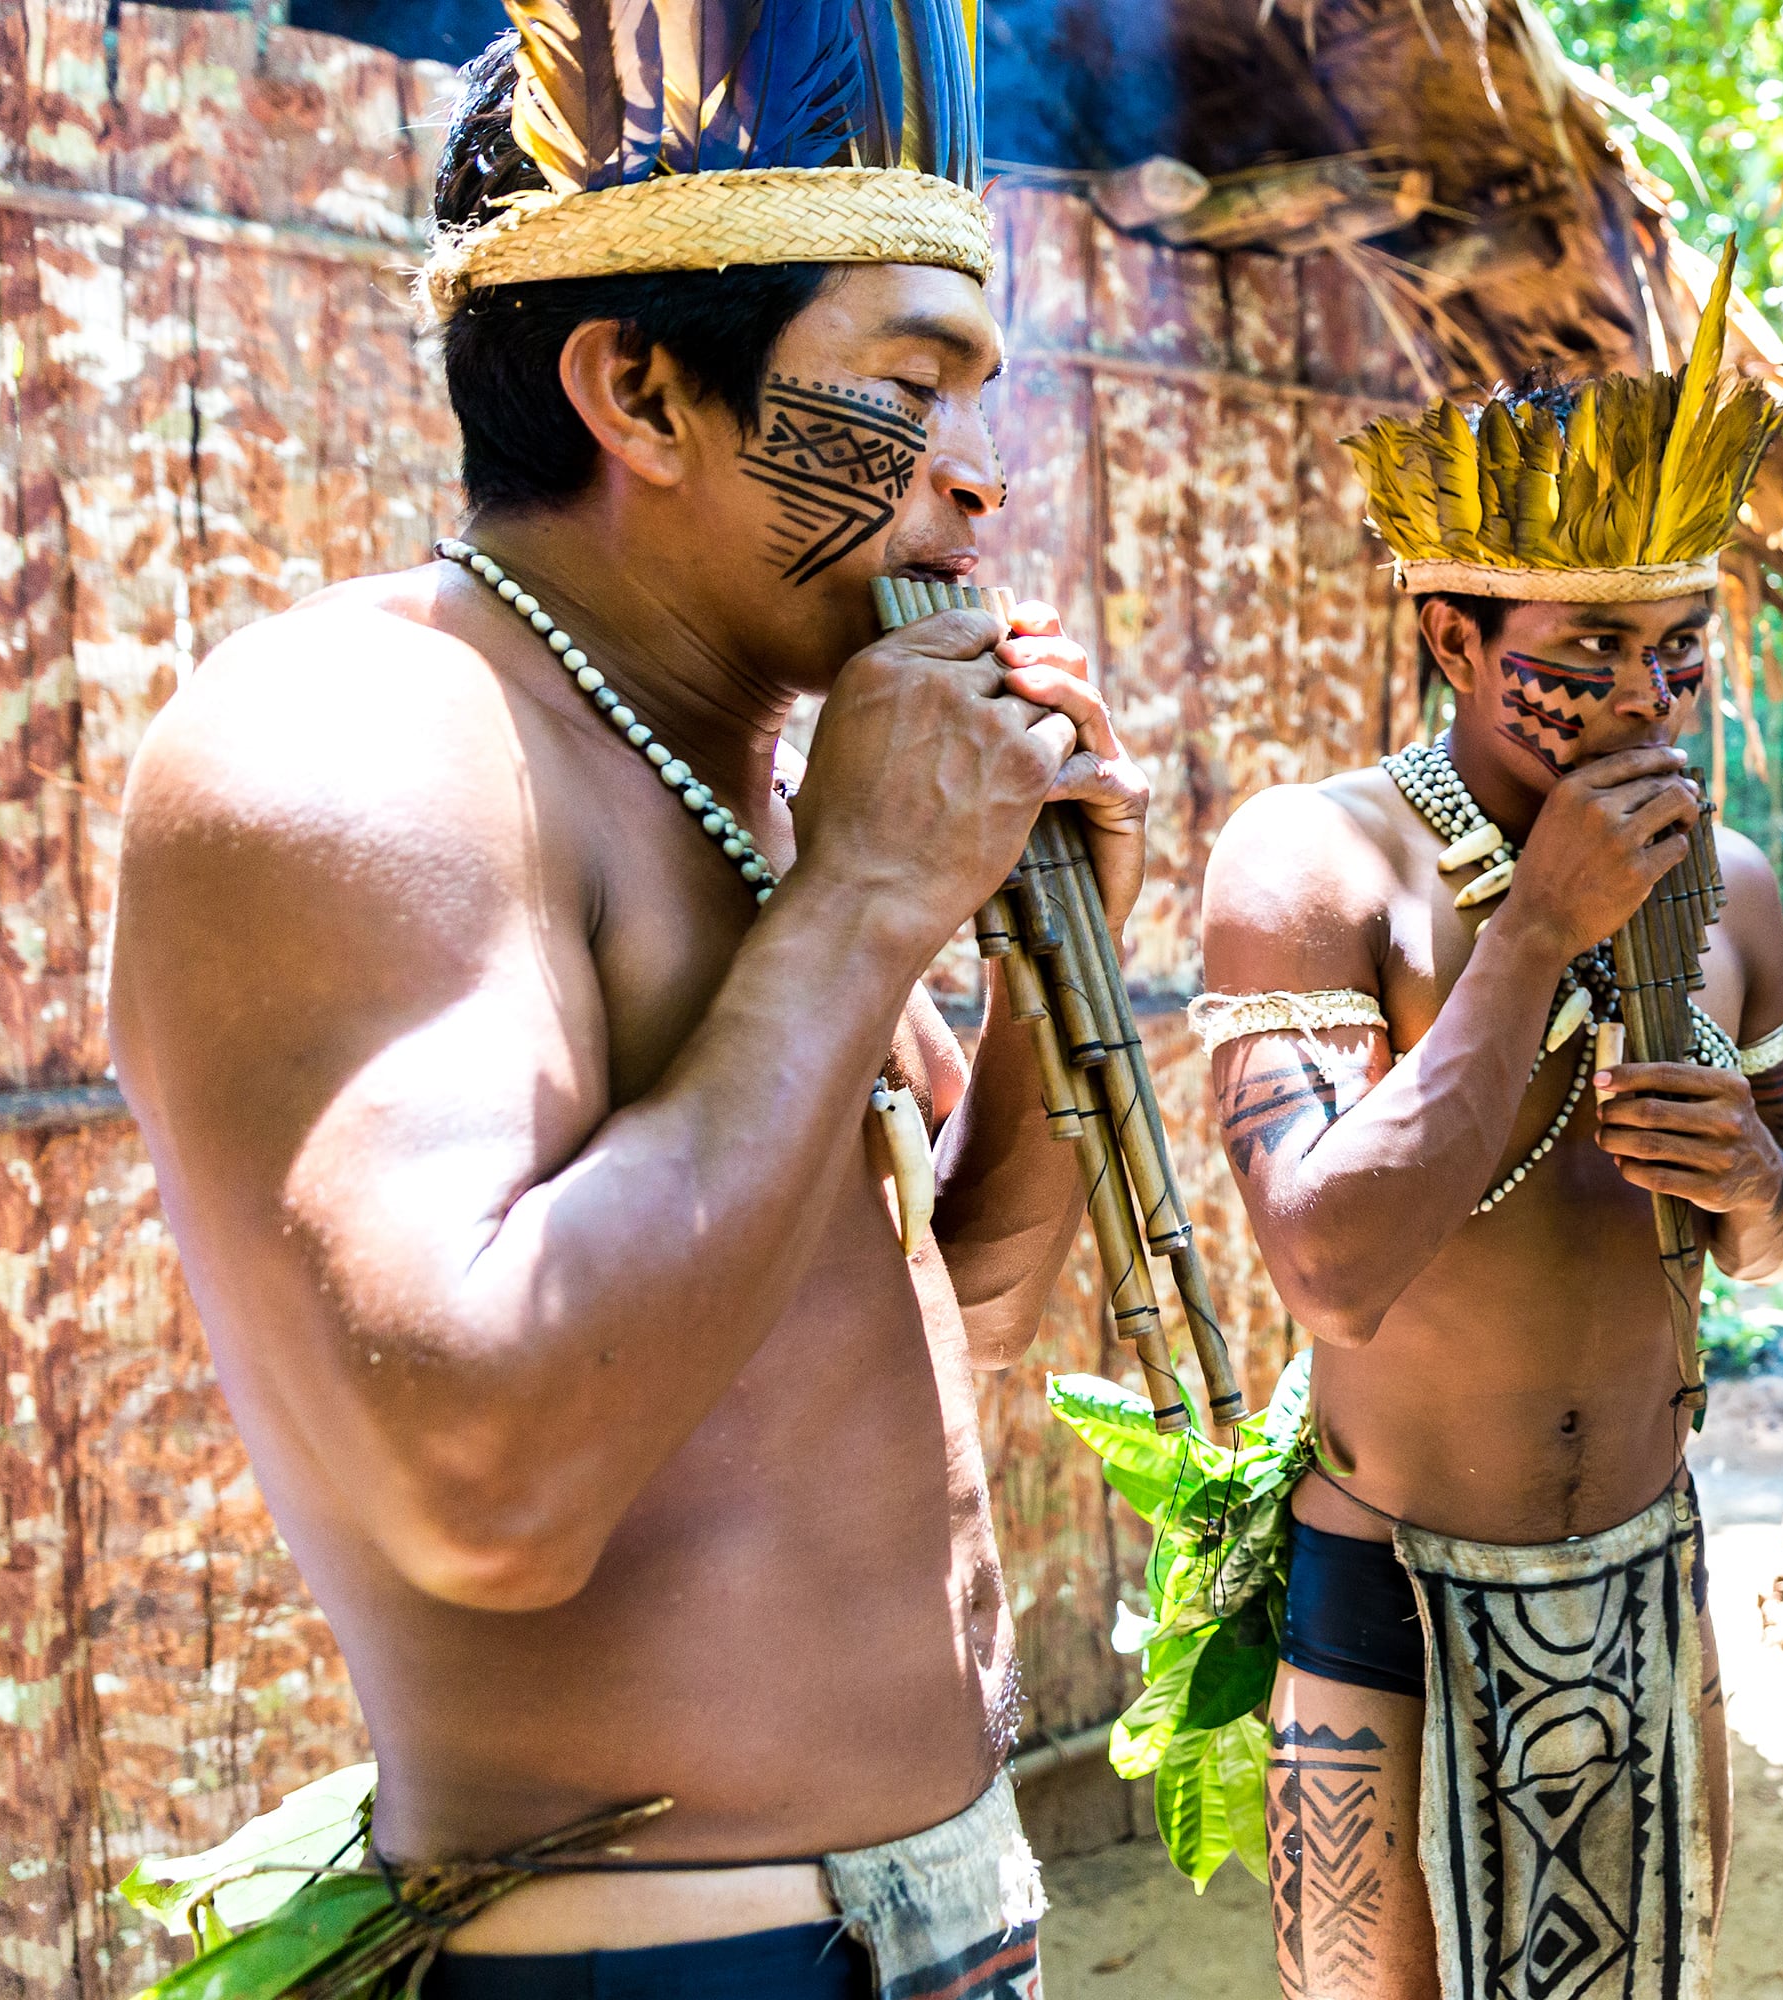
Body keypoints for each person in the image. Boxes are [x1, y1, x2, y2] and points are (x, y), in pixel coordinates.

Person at [103, 5, 1127, 1992]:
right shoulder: (366, 734)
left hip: (943, 1921)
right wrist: (857, 911)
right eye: (915, 383)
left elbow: (943, 1327)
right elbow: (487, 1480)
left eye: (984, 391)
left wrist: (1027, 975)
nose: (982, 479)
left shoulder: (768, 785)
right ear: (642, 390)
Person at [1186, 244, 1783, 2000]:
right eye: (1587, 652)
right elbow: (1327, 1267)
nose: (1640, 700)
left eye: (1677, 653)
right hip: (1389, 1598)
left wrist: (1755, 1184)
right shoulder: (1314, 865)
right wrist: (1539, 927)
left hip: (1646, 1576)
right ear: (1451, 635)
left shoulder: (1736, 894)